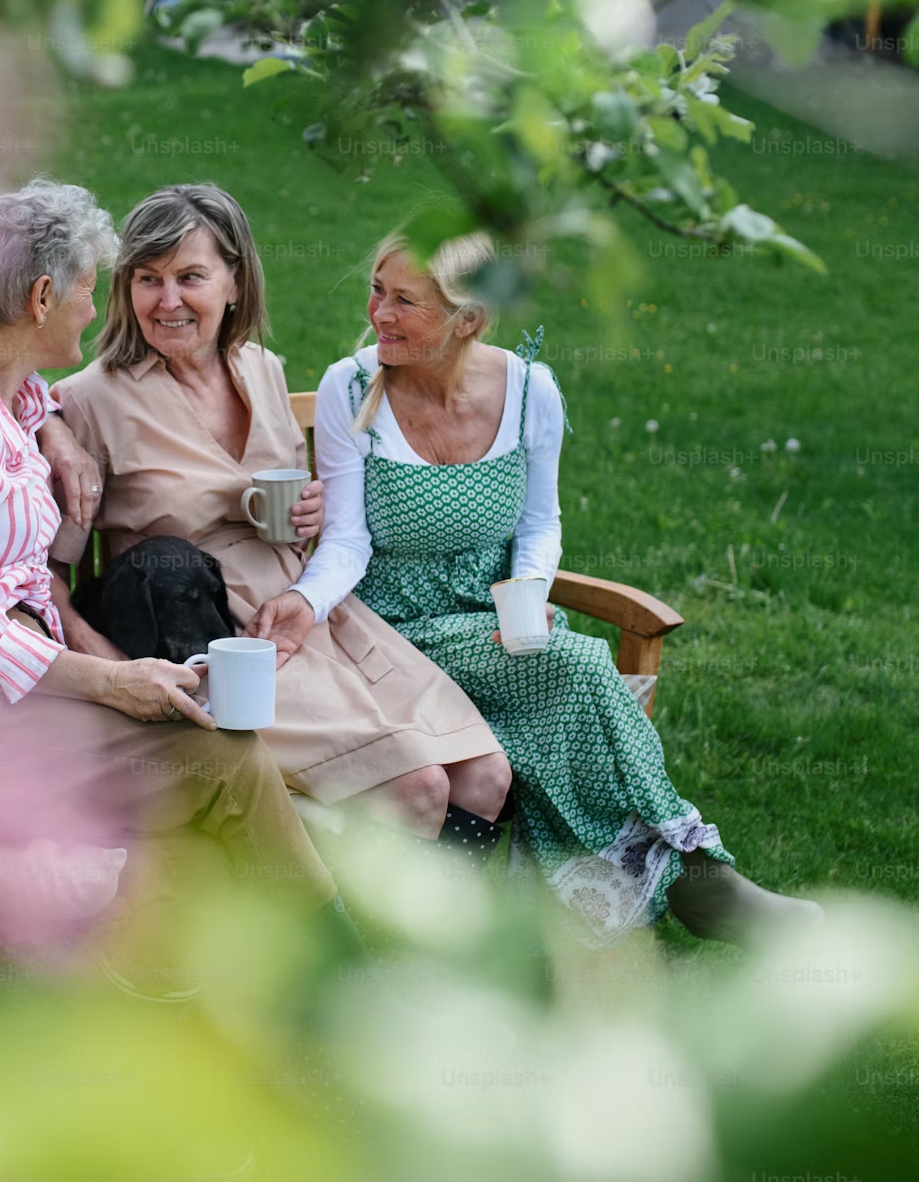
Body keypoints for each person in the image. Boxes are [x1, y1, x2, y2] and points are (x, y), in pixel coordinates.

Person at [0, 179, 342, 988]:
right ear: (38, 296)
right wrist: (109, 680)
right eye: (89, 290)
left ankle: (190, 990)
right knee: (216, 764)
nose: (96, 311)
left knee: (207, 765)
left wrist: (55, 431)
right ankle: (339, 979)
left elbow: (22, 406)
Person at [253, 228, 821, 945]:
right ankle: (693, 878)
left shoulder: (529, 391)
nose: (378, 314)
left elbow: (541, 521)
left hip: (499, 625)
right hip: (395, 634)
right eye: (376, 290)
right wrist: (306, 600)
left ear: (470, 319)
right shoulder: (352, 386)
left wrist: (527, 587)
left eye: (404, 300)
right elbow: (346, 540)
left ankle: (652, 891)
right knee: (582, 665)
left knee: (565, 678)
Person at [52, 185, 512, 863]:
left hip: (309, 611)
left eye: (190, 277)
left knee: (483, 775)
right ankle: (368, 955)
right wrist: (106, 664)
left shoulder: (262, 369)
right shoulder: (91, 399)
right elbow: (43, 572)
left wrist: (312, 511)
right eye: (147, 279)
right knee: (414, 789)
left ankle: (439, 945)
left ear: (235, 280)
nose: (166, 299)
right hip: (217, 640)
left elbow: (294, 498)